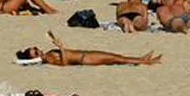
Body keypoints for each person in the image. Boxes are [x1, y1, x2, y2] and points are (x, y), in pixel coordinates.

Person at [16, 31, 161, 66]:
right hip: (85, 59)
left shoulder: (48, 54)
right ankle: (145, 61)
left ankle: (142, 59)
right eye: (36, 52)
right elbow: (64, 64)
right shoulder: (48, 58)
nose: (39, 51)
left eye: (36, 48)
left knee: (116, 57)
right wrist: (61, 48)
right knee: (116, 59)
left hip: (85, 54)